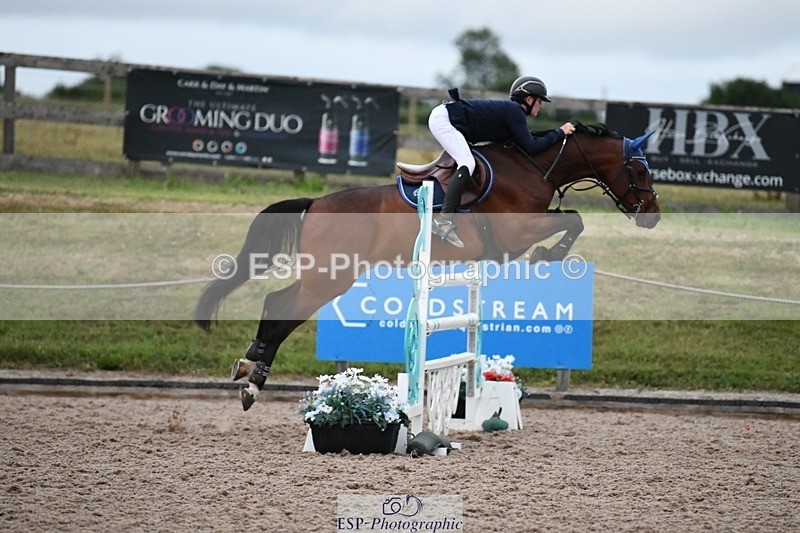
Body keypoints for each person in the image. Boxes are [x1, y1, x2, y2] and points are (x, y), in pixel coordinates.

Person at [427, 76, 576, 247]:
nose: (541, 106)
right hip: (444, 120)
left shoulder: (513, 113)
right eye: (540, 101)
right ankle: (443, 220)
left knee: (468, 162)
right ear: (529, 99)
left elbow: (527, 141)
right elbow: (532, 147)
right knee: (467, 163)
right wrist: (560, 132)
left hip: (448, 118)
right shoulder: (515, 111)